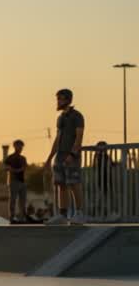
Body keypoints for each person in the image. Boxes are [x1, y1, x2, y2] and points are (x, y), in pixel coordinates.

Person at [45, 88, 85, 225]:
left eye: (60, 99)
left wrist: (73, 154)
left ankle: (79, 213)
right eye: (57, 99)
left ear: (68, 99)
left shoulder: (77, 116)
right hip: (59, 156)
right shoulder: (60, 117)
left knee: (74, 183)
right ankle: (62, 214)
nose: (58, 101)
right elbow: (57, 138)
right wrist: (50, 158)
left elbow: (79, 137)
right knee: (60, 185)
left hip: (71, 156)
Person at [5, 139, 28, 223]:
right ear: (14, 146)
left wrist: (19, 170)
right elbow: (6, 168)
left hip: (22, 182)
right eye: (18, 146)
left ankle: (22, 217)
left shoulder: (23, 158)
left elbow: (25, 167)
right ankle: (12, 217)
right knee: (13, 200)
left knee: (23, 201)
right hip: (13, 181)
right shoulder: (10, 158)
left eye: (21, 146)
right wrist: (15, 170)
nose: (20, 148)